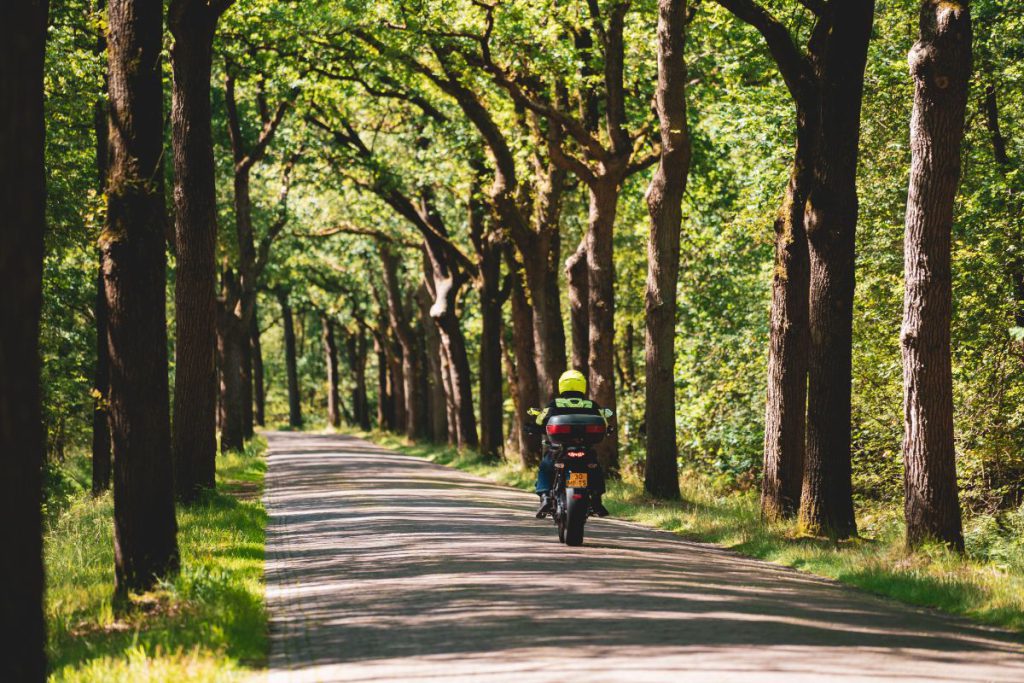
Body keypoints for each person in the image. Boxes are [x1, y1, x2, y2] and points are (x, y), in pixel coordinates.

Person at [534, 369, 610, 519]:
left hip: (560, 449)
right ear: (582, 385)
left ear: (562, 385)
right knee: (594, 467)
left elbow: (540, 421)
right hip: (585, 448)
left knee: (546, 465)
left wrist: (534, 427)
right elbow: (605, 423)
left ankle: (545, 497)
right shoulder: (590, 405)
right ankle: (596, 500)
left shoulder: (555, 404)